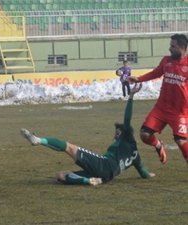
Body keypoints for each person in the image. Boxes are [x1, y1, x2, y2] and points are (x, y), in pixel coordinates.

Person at [21, 83, 155, 185]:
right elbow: (143, 172)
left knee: (70, 147)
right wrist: (150, 175)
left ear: (125, 133)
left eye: (117, 133)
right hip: (107, 176)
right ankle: (88, 180)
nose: (115, 136)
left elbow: (127, 118)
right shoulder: (135, 156)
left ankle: (38, 140)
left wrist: (131, 96)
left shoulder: (128, 139)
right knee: (61, 175)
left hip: (103, 164)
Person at [128, 33, 188, 165]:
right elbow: (156, 73)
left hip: (179, 112)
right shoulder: (166, 61)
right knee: (144, 135)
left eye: (173, 46)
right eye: (170, 46)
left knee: (181, 141)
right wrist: (138, 78)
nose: (170, 48)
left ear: (182, 48)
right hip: (161, 108)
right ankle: (158, 145)